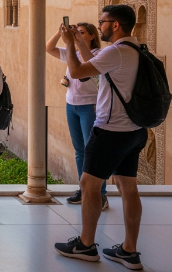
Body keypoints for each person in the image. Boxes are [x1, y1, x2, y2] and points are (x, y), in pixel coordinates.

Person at [54, 5, 146, 270]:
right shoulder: (136, 49)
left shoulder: (115, 52)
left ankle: (85, 245)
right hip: (135, 131)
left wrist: (69, 44)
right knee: (128, 187)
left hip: (110, 131)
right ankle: (129, 250)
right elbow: (95, 64)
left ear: (115, 25)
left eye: (102, 21)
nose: (100, 25)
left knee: (89, 184)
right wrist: (81, 42)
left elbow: (78, 72)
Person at [46, 22, 108, 208]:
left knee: (94, 152)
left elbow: (91, 66)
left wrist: (76, 42)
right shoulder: (71, 52)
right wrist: (59, 32)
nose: (77, 35)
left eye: (81, 33)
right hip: (71, 105)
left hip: (90, 106)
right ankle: (84, 189)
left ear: (91, 36)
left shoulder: (97, 55)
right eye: (75, 32)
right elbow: (49, 48)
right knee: (80, 151)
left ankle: (100, 194)